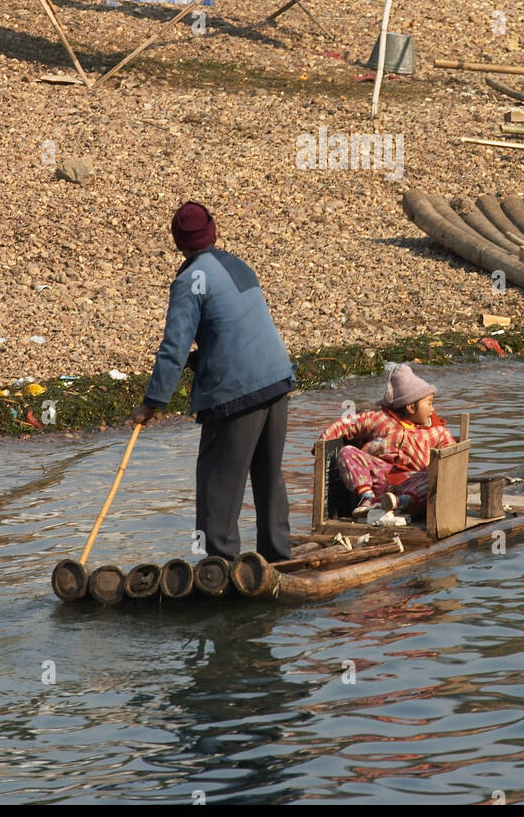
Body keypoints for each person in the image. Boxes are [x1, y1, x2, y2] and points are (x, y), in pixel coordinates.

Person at [131, 201, 295, 563]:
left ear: (179, 242)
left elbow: (174, 348)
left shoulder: (191, 279)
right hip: (277, 381)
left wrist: (153, 402)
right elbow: (233, 331)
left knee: (217, 487)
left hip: (236, 394)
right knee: (269, 479)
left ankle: (218, 568)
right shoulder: (239, 265)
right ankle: (280, 559)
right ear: (214, 231)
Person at [314, 364, 455, 519]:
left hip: (413, 482)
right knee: (347, 452)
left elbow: (452, 454)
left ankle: (399, 503)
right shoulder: (381, 419)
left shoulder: (436, 431)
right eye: (429, 403)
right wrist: (323, 441)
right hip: (381, 478)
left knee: (433, 478)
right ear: (410, 407)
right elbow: (348, 424)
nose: (432, 409)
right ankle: (368, 498)